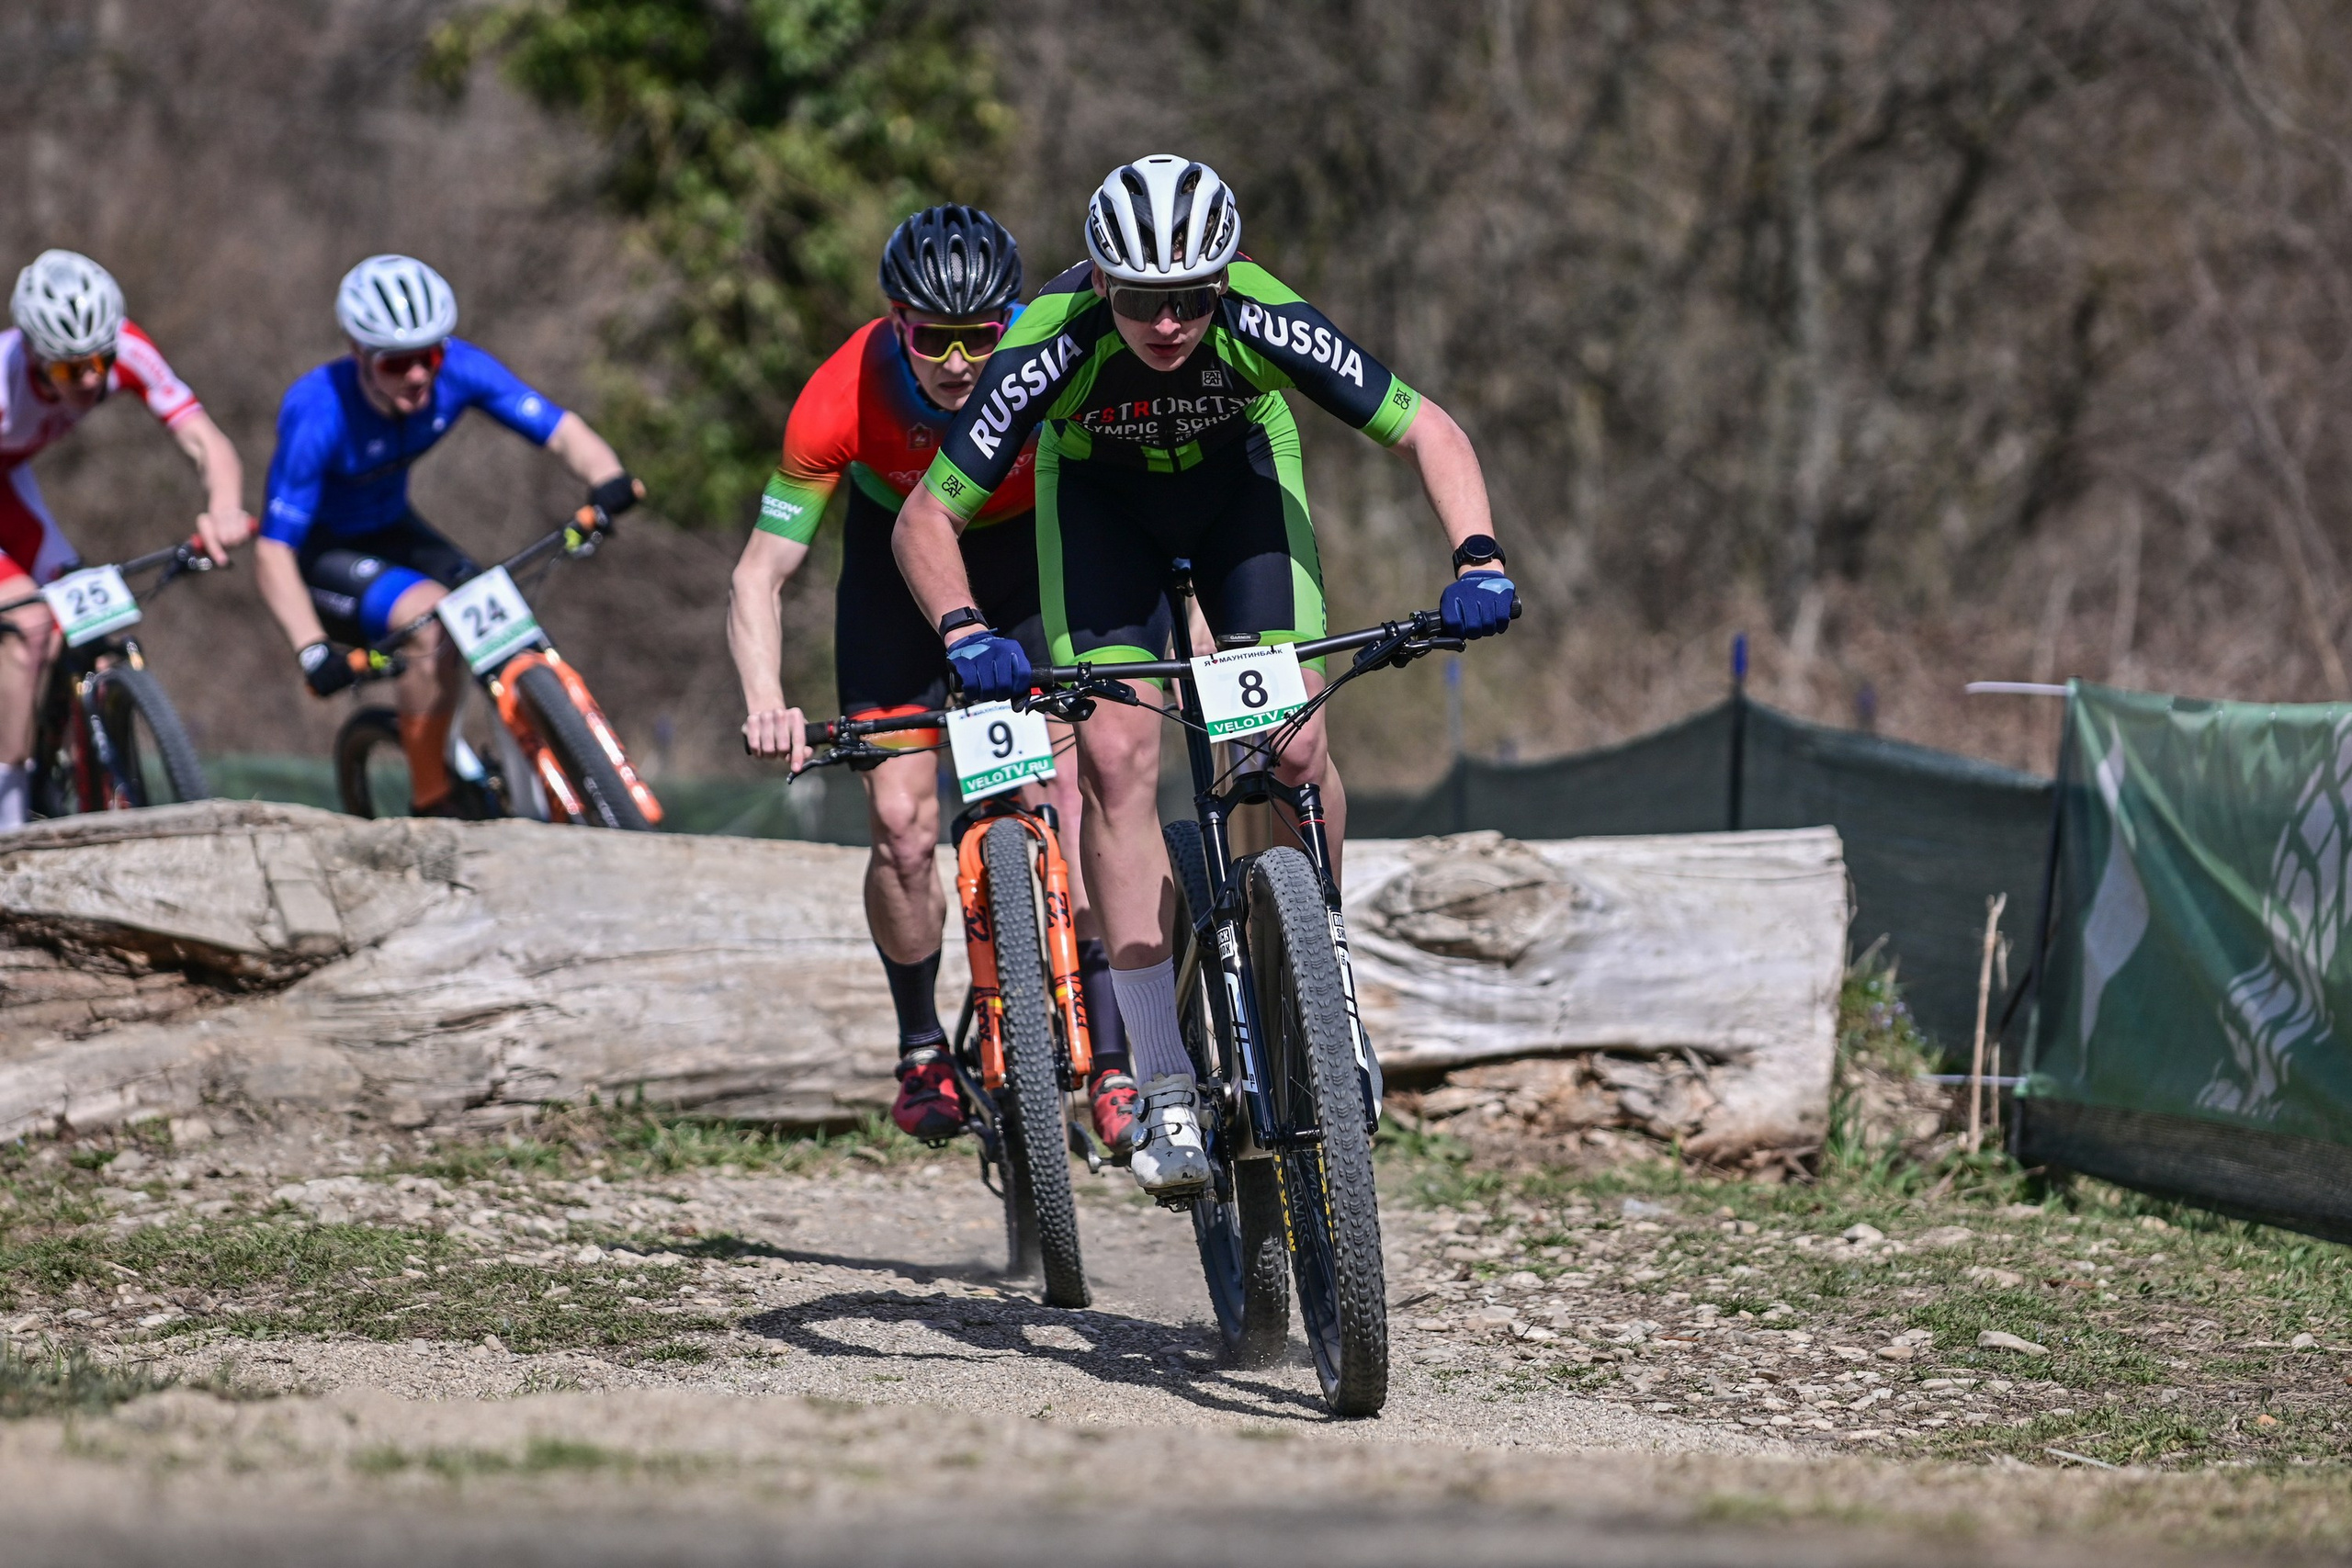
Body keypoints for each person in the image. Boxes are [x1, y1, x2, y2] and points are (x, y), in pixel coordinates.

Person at [892, 156, 1517, 1195]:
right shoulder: (1052, 346)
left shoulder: (1262, 318)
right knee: (1117, 755)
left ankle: (1324, 982)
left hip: (1240, 494)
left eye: (1190, 297)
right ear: (1102, 283)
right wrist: (963, 632)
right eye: (1143, 298)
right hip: (1101, 509)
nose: (1169, 323)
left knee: (1293, 743)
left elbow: (1428, 430)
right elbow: (927, 517)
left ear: (1222, 282)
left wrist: (1479, 557)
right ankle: (1165, 1074)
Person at [728, 206, 1136, 1154]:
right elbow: (760, 572)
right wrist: (764, 697)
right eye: (930, 338)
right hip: (893, 581)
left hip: (1026, 566)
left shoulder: (1054, 357)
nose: (957, 362)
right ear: (895, 324)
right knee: (903, 829)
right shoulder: (841, 395)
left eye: (980, 337)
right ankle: (920, 1047)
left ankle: (1116, 1059)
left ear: (1012, 323)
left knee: (1081, 802)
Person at [254, 254, 639, 814]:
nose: (417, 375)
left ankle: (553, 778)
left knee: (498, 607)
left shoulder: (460, 369)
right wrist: (311, 651)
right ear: (358, 353)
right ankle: (432, 797)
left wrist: (607, 478)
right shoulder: (317, 412)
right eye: (397, 363)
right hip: (323, 556)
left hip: (395, 530)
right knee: (432, 624)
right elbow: (272, 550)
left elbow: (560, 429)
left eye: (430, 356)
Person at [0, 250, 251, 829]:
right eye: (69, 371)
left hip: (11, 481)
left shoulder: (127, 349)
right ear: (37, 358)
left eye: (99, 362)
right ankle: (9, 811)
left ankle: (84, 754)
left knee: (95, 633)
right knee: (31, 627)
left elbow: (202, 441)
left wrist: (224, 508)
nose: (91, 380)